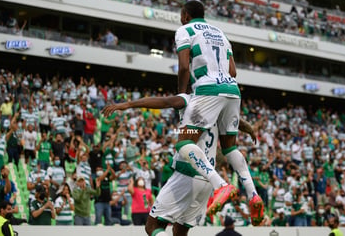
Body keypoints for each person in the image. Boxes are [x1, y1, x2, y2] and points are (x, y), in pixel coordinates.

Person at [102, 93, 259, 235]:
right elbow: (236, 121)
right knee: (180, 230)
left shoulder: (190, 98)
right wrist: (249, 129)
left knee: (152, 225)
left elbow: (164, 101)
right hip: (208, 178)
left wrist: (127, 104)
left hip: (188, 172)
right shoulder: (219, 106)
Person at [174, 0, 263, 223]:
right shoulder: (220, 33)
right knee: (230, 146)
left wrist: (182, 93)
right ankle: (253, 194)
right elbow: (232, 70)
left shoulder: (185, 30)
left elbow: (184, 66)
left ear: (185, 15)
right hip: (232, 89)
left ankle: (220, 185)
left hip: (207, 88)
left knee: (184, 142)